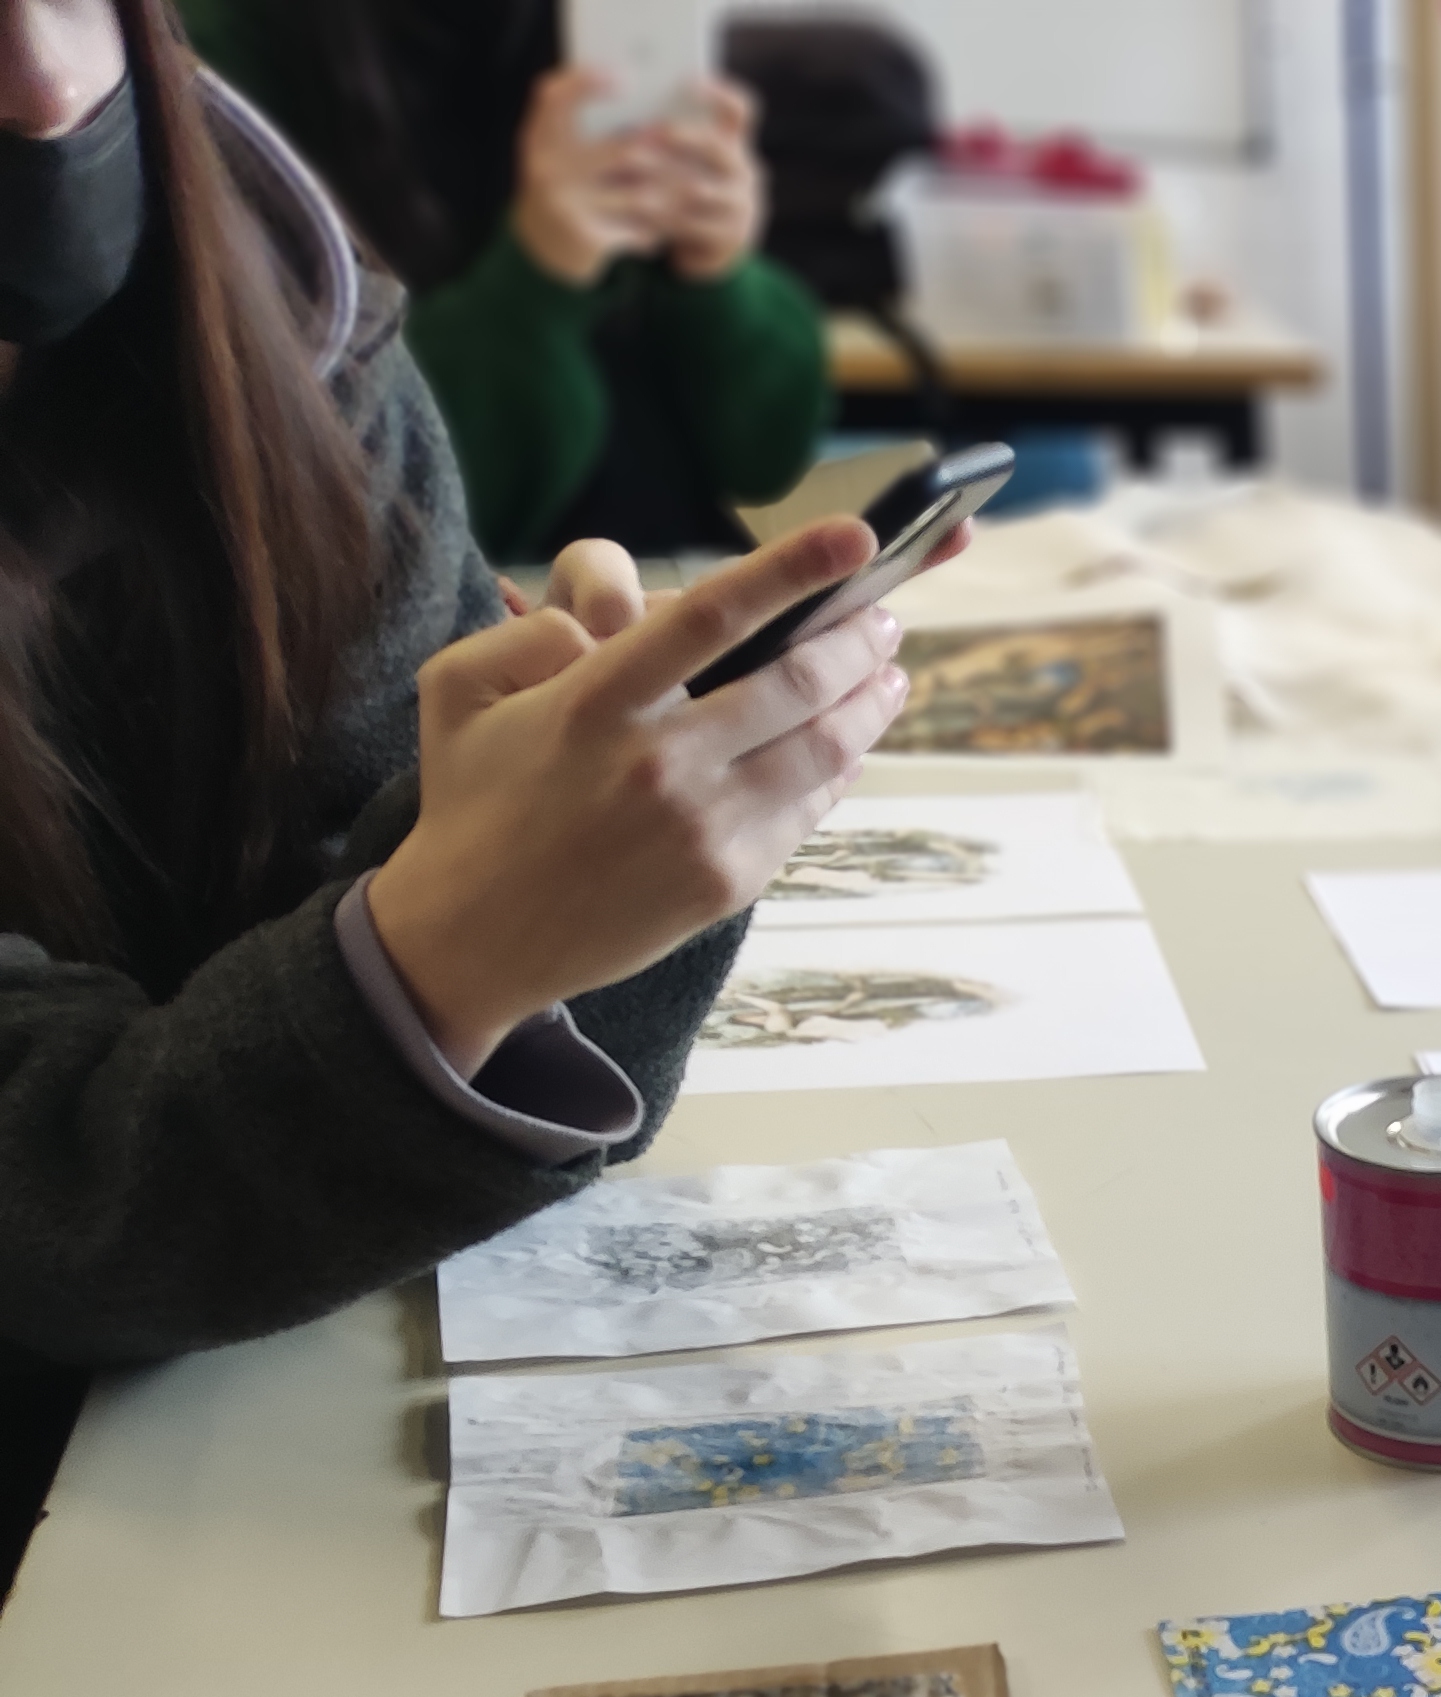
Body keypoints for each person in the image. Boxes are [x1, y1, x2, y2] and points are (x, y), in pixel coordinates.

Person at [0, 0, 909, 1600]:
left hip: (249, 1439)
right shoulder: (289, 102)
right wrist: (446, 952)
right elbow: (54, 1198)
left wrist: (568, 863)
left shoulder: (271, 276)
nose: (40, 80)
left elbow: (763, 434)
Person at [184, 0, 831, 564]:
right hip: (445, 628)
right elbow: (332, 511)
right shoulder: (225, 49)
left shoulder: (584, 27)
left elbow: (767, 458)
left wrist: (718, 276)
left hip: (669, 589)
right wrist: (540, 276)